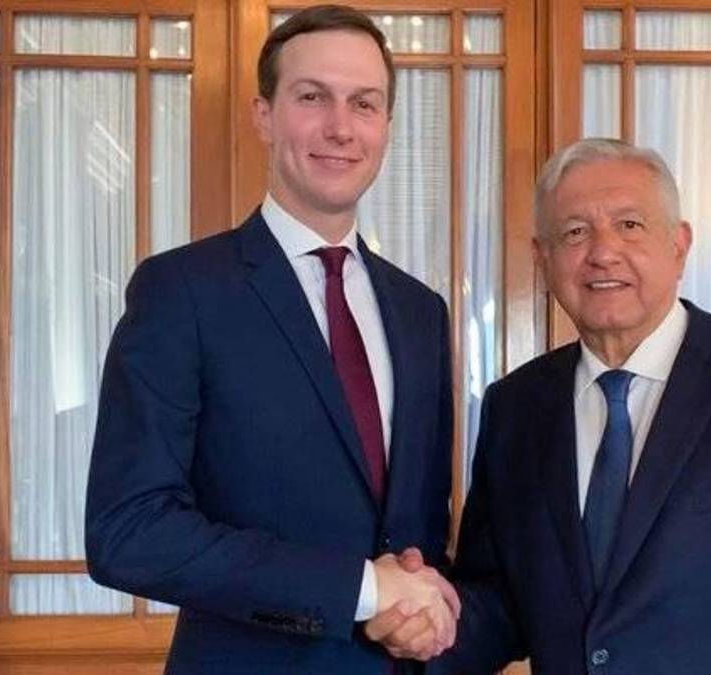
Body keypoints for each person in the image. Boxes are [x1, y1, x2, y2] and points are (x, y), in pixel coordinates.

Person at [370, 138, 711, 673]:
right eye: (575, 232)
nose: (603, 252)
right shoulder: (517, 407)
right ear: (542, 258)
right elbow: (503, 602)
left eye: (629, 225)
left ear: (679, 245)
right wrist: (422, 616)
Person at [85, 5, 459, 673]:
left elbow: (419, 533)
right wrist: (361, 589)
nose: (341, 126)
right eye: (312, 97)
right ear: (263, 115)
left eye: (364, 103)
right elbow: (129, 531)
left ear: (387, 126)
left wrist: (420, 608)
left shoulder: (420, 312)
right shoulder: (182, 291)